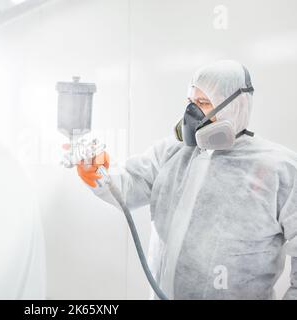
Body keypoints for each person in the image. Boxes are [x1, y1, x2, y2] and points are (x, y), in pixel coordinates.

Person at [76, 60, 297, 299]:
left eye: (203, 103)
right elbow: (131, 185)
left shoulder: (278, 168)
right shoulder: (173, 151)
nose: (192, 113)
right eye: (191, 102)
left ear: (235, 106)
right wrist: (99, 174)